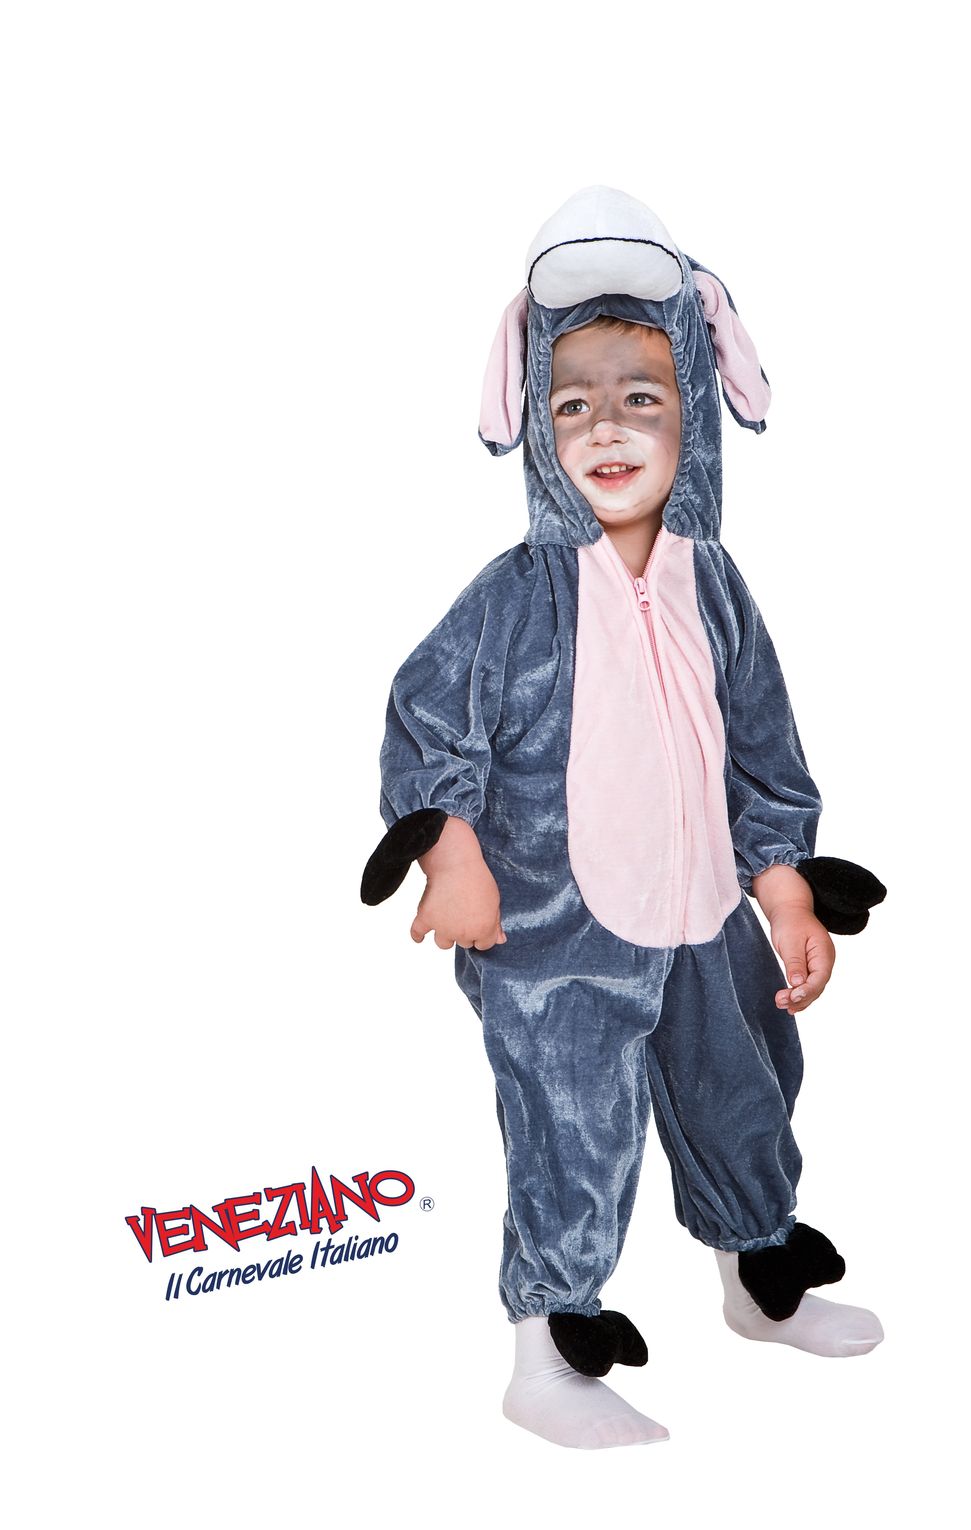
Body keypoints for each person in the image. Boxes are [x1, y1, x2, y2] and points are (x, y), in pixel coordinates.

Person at [362, 185, 888, 1450]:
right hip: (559, 932)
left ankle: (759, 1276)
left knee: (745, 1085)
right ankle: (548, 1351)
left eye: (642, 396)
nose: (606, 427)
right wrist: (452, 851)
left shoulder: (717, 586)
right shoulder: (518, 597)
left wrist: (783, 882)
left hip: (706, 914)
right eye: (572, 403)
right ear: (532, 420)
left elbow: (762, 744)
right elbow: (430, 713)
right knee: (572, 1122)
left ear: (699, 405)